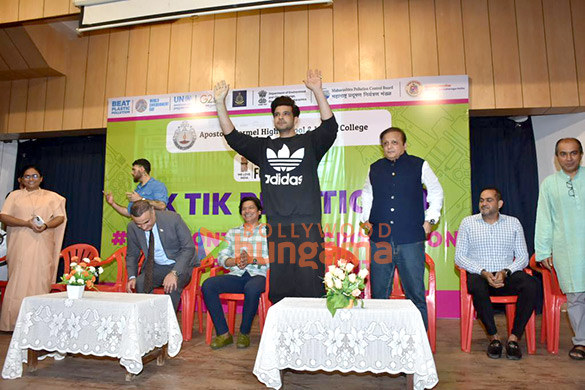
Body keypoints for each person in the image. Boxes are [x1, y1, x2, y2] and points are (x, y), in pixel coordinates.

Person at [213, 69, 337, 304]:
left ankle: (311, 329)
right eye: (277, 114)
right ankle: (284, 331)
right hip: (277, 224)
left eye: (286, 114)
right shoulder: (264, 147)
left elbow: (330, 128)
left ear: (295, 119)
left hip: (306, 223)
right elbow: (233, 137)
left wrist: (318, 91)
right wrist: (220, 104)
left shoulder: (310, 143)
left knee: (310, 279)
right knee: (282, 282)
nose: (281, 117)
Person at [360, 127, 443, 329]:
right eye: (386, 143)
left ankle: (419, 345)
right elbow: (367, 194)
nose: (390, 146)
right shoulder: (375, 168)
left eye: (394, 142)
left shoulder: (419, 165)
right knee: (379, 294)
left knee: (415, 294)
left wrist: (430, 220)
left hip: (411, 240)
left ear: (404, 145)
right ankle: (379, 341)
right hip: (380, 240)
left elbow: (436, 191)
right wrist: (366, 219)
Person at [455, 188, 537, 360]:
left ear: (499, 204)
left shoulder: (513, 223)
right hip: (481, 276)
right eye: (481, 200)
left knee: (531, 284)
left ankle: (514, 338)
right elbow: (460, 257)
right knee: (476, 284)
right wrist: (483, 272)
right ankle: (494, 338)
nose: (484, 203)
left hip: (506, 275)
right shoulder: (468, 223)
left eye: (489, 200)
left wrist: (506, 272)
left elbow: (523, 256)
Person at [535, 137, 585, 360]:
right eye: (563, 154)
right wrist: (543, 251)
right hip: (567, 249)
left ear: (581, 155)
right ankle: (582, 342)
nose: (569, 158)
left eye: (573, 153)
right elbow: (544, 218)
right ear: (556, 158)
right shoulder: (549, 184)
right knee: (575, 297)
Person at [0, 165, 67, 331]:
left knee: (40, 279)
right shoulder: (14, 196)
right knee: (18, 280)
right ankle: (12, 324)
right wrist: (26, 223)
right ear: (21, 179)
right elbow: (4, 216)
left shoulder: (52, 197)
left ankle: (39, 325)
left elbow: (59, 217)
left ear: (41, 178)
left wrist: (45, 226)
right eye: (27, 176)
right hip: (20, 242)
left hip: (43, 243)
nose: (31, 179)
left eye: (34, 176)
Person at [202, 196, 269, 349]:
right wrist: (235, 261)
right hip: (237, 275)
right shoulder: (233, 233)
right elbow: (222, 257)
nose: (247, 211)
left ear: (259, 211)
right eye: (244, 208)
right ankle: (223, 334)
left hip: (259, 275)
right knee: (208, 285)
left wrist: (253, 260)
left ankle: (244, 333)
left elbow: (275, 259)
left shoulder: (268, 231)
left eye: (251, 207)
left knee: (252, 288)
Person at [126, 200, 197, 311]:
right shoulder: (132, 228)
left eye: (146, 222)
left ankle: (167, 325)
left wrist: (174, 272)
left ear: (153, 211)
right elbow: (132, 254)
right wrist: (132, 277)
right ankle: (146, 320)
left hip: (180, 264)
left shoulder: (173, 219)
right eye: (138, 224)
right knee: (140, 283)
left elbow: (188, 248)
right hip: (157, 266)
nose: (144, 227)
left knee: (171, 285)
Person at [104, 158, 168, 218]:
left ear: (142, 169)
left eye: (134, 169)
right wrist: (112, 203)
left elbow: (161, 206)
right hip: (141, 228)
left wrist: (141, 199)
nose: (131, 173)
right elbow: (129, 213)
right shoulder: (138, 189)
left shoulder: (157, 185)